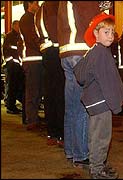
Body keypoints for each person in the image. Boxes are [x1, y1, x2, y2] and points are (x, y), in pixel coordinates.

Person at [74, 12, 123, 179]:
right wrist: (116, 104)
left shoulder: (92, 52)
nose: (110, 36)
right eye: (106, 32)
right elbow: (108, 81)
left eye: (112, 32)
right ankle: (97, 170)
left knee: (95, 135)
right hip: (102, 102)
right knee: (102, 137)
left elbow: (80, 74)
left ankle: (98, 164)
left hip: (94, 102)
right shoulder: (102, 54)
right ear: (95, 33)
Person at [57, 1, 102, 168]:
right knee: (83, 107)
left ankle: (71, 151)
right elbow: (93, 22)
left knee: (71, 106)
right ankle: (81, 154)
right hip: (81, 51)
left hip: (66, 52)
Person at [34, 1, 65, 147]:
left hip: (47, 52)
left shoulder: (42, 8)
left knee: (51, 94)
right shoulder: (55, 5)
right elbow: (57, 26)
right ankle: (60, 133)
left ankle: (52, 132)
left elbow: (39, 32)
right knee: (60, 94)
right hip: (57, 51)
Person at [19, 1, 43, 130]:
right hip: (32, 59)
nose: (38, 6)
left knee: (35, 90)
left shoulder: (30, 18)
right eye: (36, 3)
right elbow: (32, 37)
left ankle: (31, 118)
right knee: (33, 90)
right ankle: (31, 120)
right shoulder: (27, 19)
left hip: (34, 59)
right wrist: (43, 47)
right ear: (29, 4)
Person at [2, 20, 24, 114]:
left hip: (16, 65)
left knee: (14, 86)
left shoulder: (17, 36)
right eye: (18, 25)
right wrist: (10, 61)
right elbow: (6, 50)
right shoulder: (10, 36)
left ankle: (12, 105)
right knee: (11, 86)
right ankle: (11, 106)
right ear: (14, 26)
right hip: (12, 66)